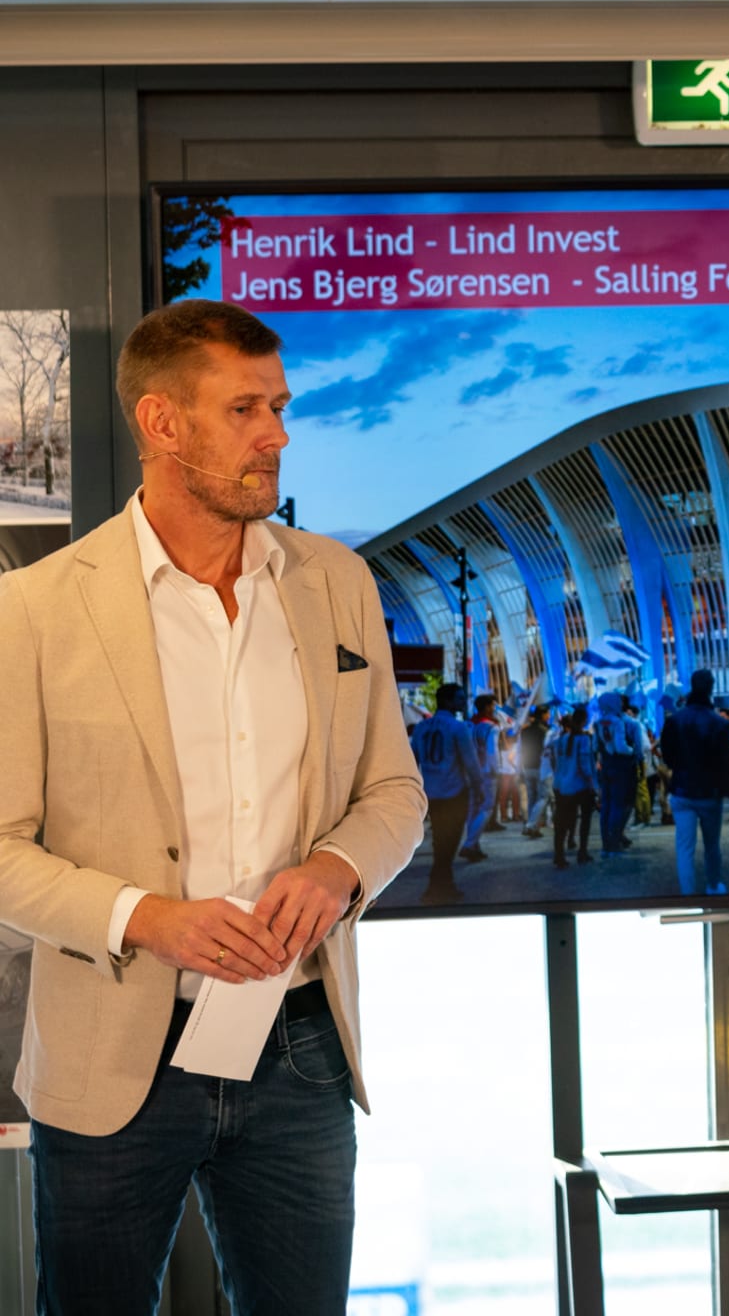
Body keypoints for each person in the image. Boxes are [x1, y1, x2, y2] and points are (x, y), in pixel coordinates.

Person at [0, 299, 427, 1315]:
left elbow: (395, 790)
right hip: (111, 1053)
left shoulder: (335, 581)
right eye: (245, 408)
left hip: (300, 1046)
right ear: (161, 424)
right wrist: (149, 919)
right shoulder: (36, 608)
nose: (277, 432)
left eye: (278, 405)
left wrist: (335, 870)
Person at [659, 669, 729, 896]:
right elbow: (726, 760)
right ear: (711, 688)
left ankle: (688, 891)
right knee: (712, 845)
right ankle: (713, 884)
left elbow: (667, 755)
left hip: (682, 788)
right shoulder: (720, 724)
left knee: (685, 846)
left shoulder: (675, 721)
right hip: (709, 791)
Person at [410, 682, 482, 901]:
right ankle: (440, 884)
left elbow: (412, 759)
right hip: (454, 791)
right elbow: (470, 761)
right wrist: (479, 787)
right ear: (448, 701)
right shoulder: (458, 727)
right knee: (450, 840)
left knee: (440, 839)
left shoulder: (423, 727)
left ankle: (440, 881)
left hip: (431, 791)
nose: (463, 701)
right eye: (459, 698)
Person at [593, 690, 644, 859]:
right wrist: (634, 756)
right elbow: (632, 749)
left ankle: (606, 844)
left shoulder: (598, 722)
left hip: (606, 767)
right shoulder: (630, 724)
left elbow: (595, 747)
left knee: (607, 806)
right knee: (621, 806)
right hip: (623, 768)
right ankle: (614, 843)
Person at [549, 706, 598, 868]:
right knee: (585, 820)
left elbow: (555, 760)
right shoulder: (583, 739)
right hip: (579, 786)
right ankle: (582, 852)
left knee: (562, 821)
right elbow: (584, 766)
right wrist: (593, 786)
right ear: (584, 721)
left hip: (561, 784)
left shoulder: (562, 739)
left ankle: (559, 854)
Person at [461, 693, 502, 859]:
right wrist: (496, 770)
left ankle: (474, 845)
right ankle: (470, 844)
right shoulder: (491, 727)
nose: (495, 709)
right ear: (486, 707)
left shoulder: (468, 725)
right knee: (486, 808)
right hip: (486, 772)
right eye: (493, 706)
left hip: (470, 771)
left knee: (473, 809)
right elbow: (493, 752)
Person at [519, 704, 551, 839]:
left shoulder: (525, 731)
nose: (549, 716)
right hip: (541, 767)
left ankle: (532, 825)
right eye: (548, 713)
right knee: (543, 797)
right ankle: (531, 825)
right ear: (543, 715)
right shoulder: (545, 731)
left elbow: (521, 749)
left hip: (527, 766)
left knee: (532, 797)